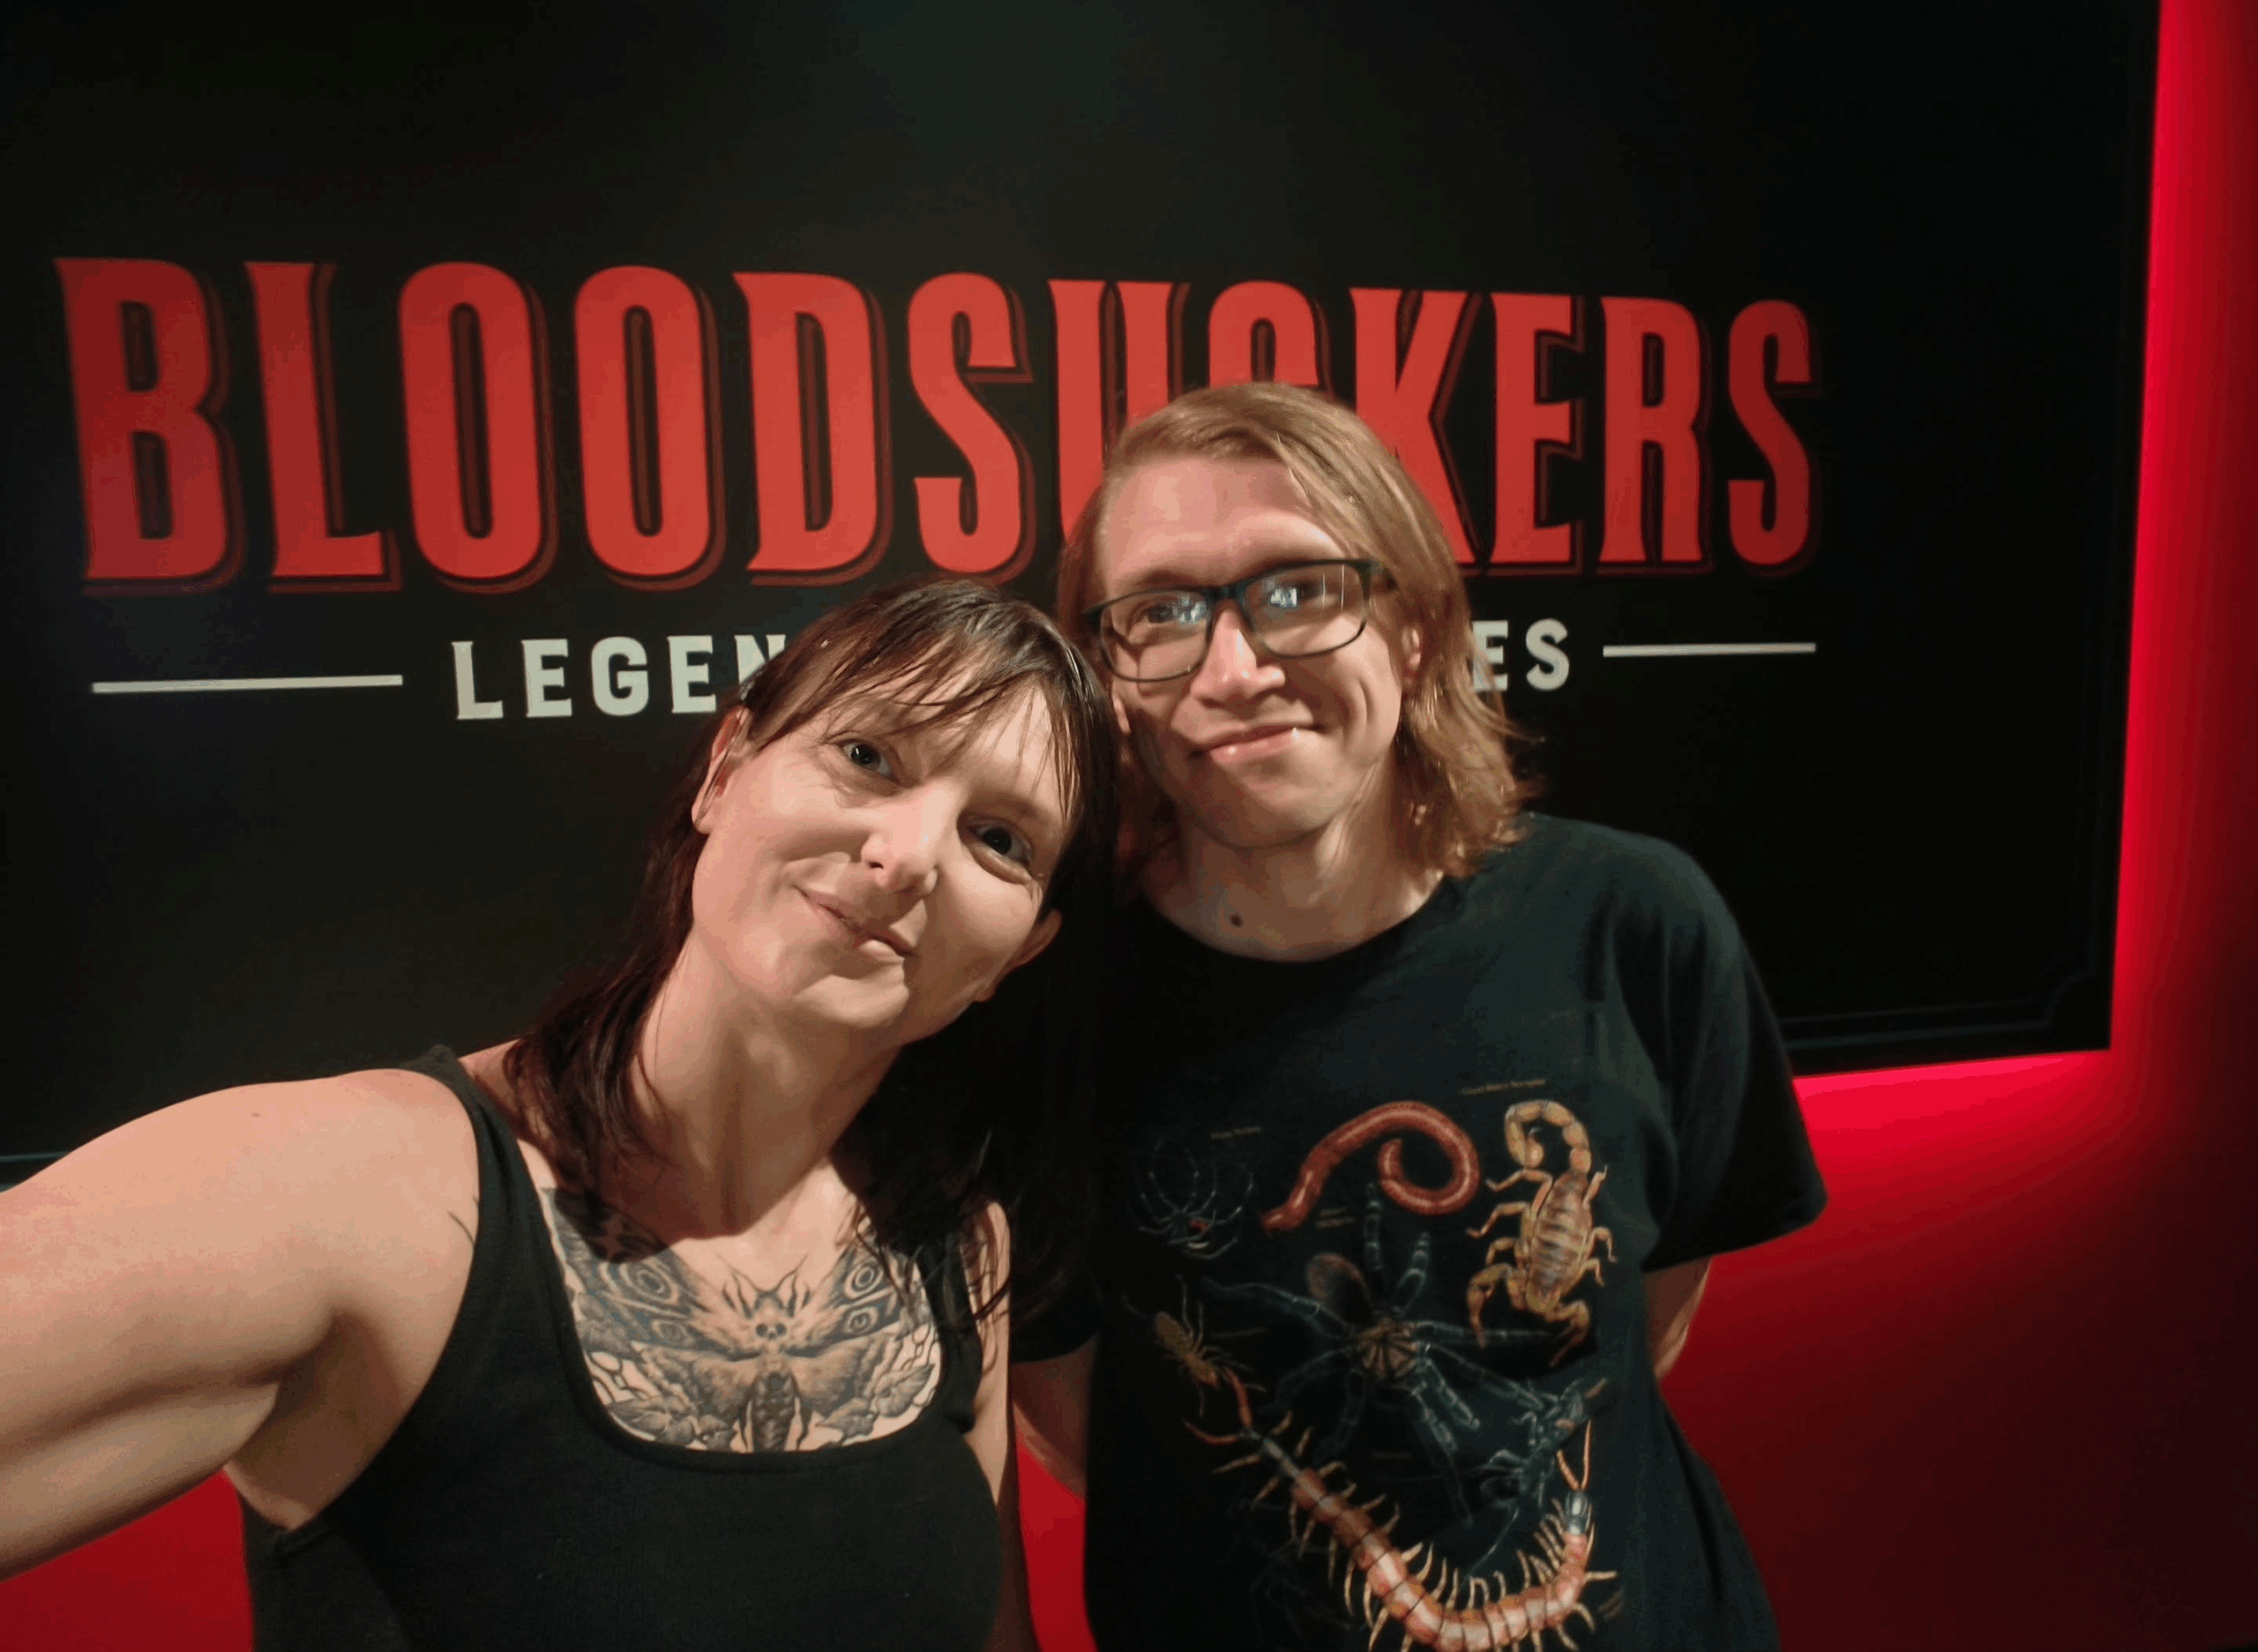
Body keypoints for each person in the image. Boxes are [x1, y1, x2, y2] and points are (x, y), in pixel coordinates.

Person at [0, 576, 1118, 1652]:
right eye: (867, 757)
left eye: (999, 840)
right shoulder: (366, 1194)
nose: (906, 854)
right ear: (724, 769)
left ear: (1018, 953)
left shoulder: (958, 1248)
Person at [1012, 383, 1828, 1651]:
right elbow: (1077, 1424)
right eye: (1164, 611)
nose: (1234, 669)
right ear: (1109, 670)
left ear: (1411, 627)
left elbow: (1630, 1325)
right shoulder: (1038, 1000)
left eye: (1298, 589)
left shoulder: (1637, 923)